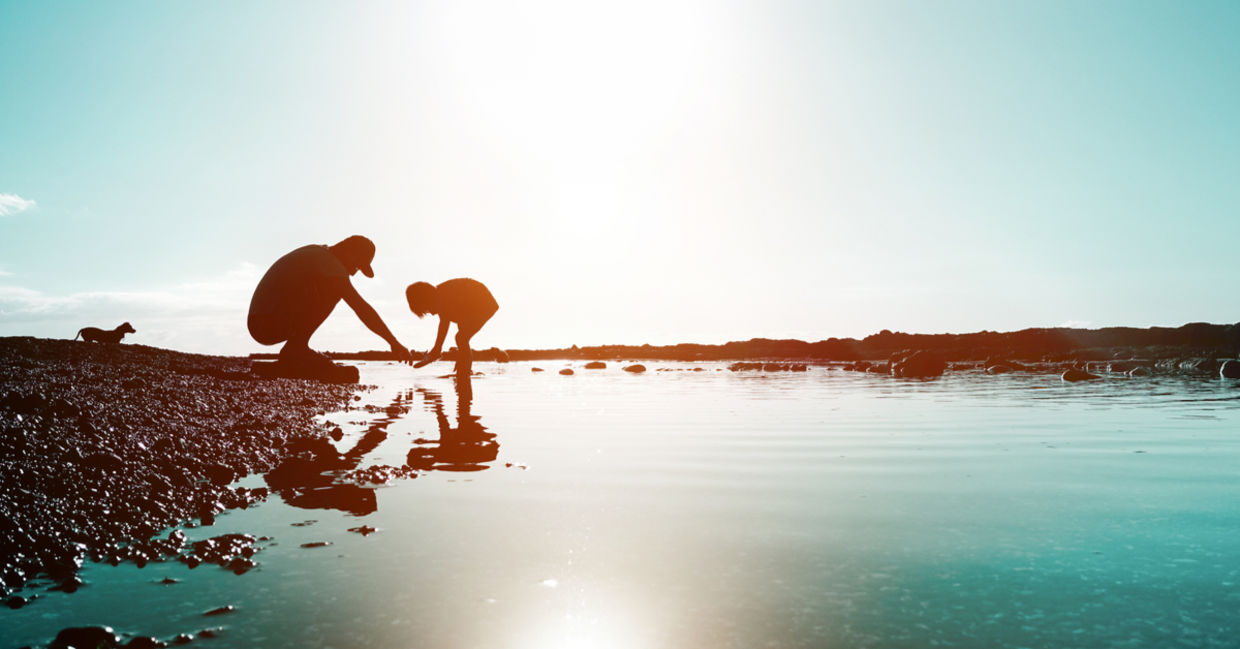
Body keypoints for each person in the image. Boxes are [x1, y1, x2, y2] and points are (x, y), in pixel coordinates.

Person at [248, 235, 411, 375]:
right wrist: (393, 342)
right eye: (356, 265)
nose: (354, 273)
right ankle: (296, 348)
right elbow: (360, 307)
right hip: (266, 323)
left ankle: (296, 349)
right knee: (337, 289)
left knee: (338, 287)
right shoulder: (329, 263)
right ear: (348, 251)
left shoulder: (320, 255)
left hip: (263, 320)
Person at [405, 278, 498, 375]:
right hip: (472, 302)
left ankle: (466, 371)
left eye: (428, 309)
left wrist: (462, 356)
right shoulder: (441, 297)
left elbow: (453, 323)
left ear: (429, 299)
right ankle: (464, 368)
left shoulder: (447, 296)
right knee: (461, 338)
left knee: (461, 338)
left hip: (485, 303)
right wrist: (438, 348)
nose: (432, 313)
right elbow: (444, 324)